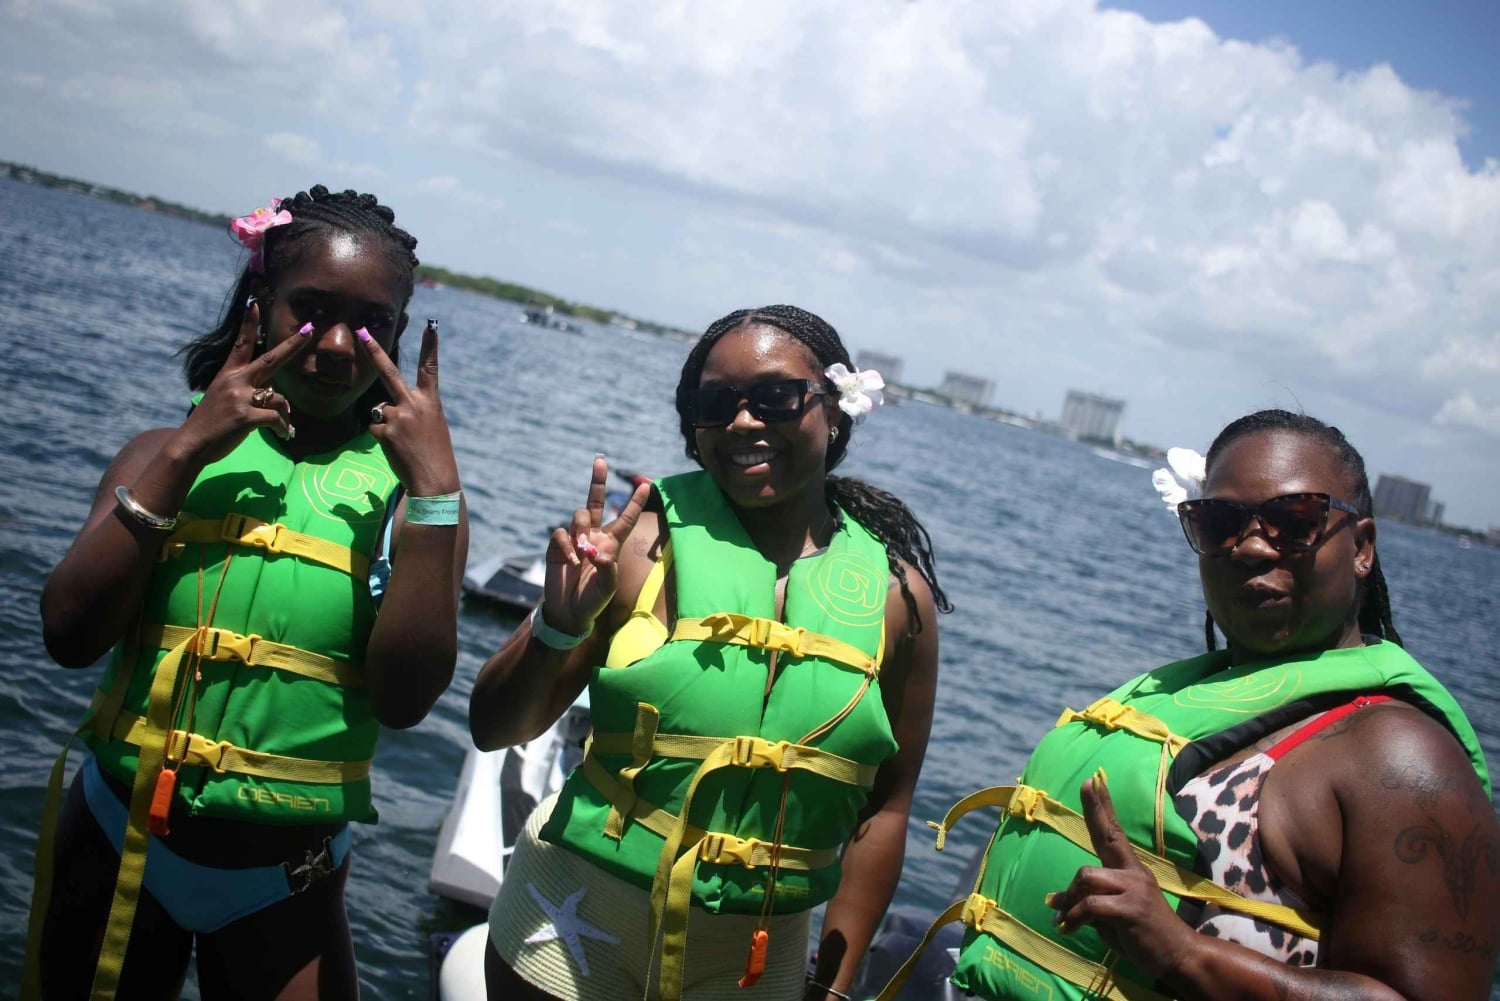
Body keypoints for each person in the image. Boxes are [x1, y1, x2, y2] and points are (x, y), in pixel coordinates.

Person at [881, 409, 1497, 1001]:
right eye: (1220, 522)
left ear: (1361, 547)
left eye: (1295, 520)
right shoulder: (1191, 692)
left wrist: (1182, 952)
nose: (1251, 547)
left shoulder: (1398, 757)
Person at [25, 185, 466, 1000]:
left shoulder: (416, 502)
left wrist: (438, 495)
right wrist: (185, 454)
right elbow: (68, 633)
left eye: (370, 321)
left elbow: (407, 701)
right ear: (260, 302)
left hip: (286, 880)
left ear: (400, 334)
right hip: (116, 841)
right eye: (312, 310)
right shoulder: (159, 452)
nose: (338, 344)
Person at [470, 305, 950, 1001]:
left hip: (755, 964)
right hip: (571, 926)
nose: (744, 421)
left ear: (835, 408)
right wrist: (557, 625)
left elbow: (885, 811)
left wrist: (835, 987)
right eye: (715, 404)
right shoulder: (638, 548)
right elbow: (494, 728)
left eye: (776, 397)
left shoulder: (898, 599)